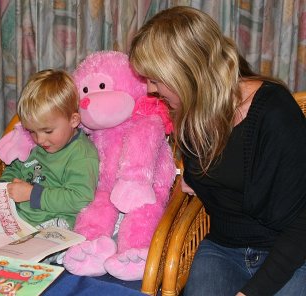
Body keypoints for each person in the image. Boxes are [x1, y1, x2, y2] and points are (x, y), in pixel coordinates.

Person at [129, 6, 306, 296]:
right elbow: (216, 174)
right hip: (226, 249)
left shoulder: (274, 112)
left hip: (291, 254)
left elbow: (301, 224)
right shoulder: (188, 111)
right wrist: (195, 181)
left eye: (155, 79)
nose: (150, 89)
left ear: (188, 72)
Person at [0, 69, 99, 231]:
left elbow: (81, 199)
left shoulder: (82, 154)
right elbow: (16, 166)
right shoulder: (36, 142)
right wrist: (4, 186)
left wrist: (32, 194)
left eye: (48, 131)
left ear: (73, 120)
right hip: (18, 217)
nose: (39, 140)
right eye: (32, 131)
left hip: (52, 223)